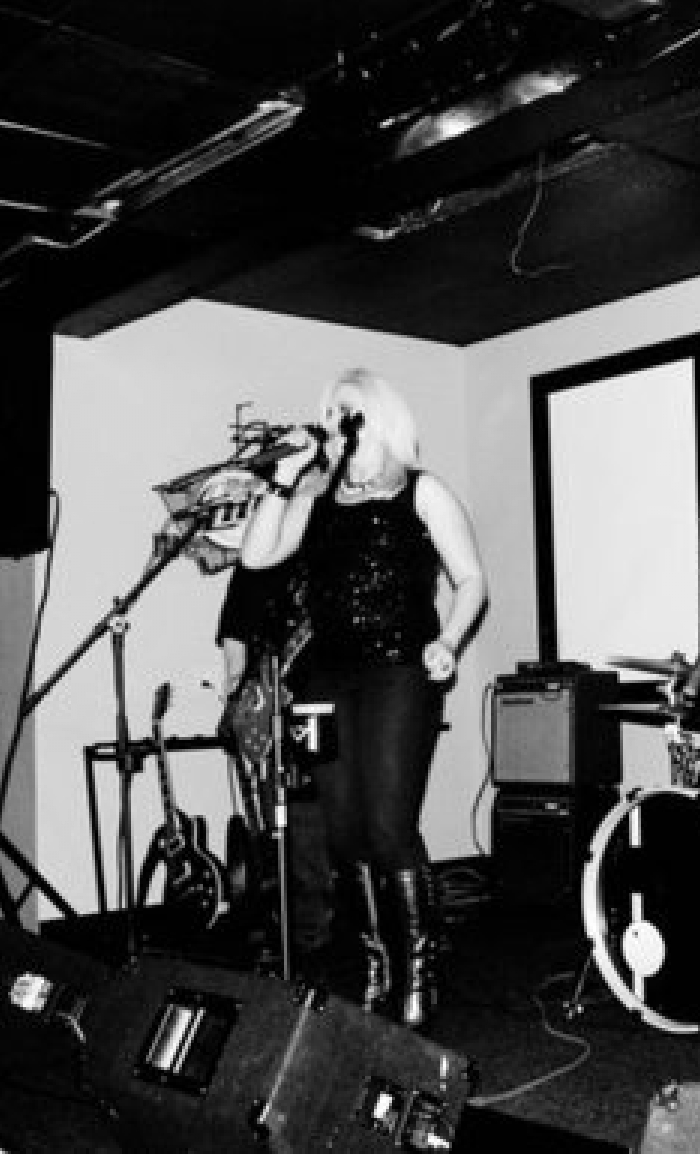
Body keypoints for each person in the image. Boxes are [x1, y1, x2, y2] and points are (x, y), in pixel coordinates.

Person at [241, 368, 487, 1029]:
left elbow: (471, 580)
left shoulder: (421, 492)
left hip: (399, 672)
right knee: (344, 831)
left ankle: (419, 972)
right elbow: (257, 557)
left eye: (345, 411)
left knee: (387, 826)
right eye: (328, 413)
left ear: (377, 417)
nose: (333, 422)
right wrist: (282, 478)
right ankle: (378, 965)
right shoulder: (315, 499)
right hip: (326, 680)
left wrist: (450, 641)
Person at [215, 561, 334, 979]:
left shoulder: (325, 549)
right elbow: (234, 629)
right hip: (274, 711)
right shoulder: (256, 562)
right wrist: (240, 695)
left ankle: (320, 941)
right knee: (282, 823)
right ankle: (297, 939)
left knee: (318, 821)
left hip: (326, 703)